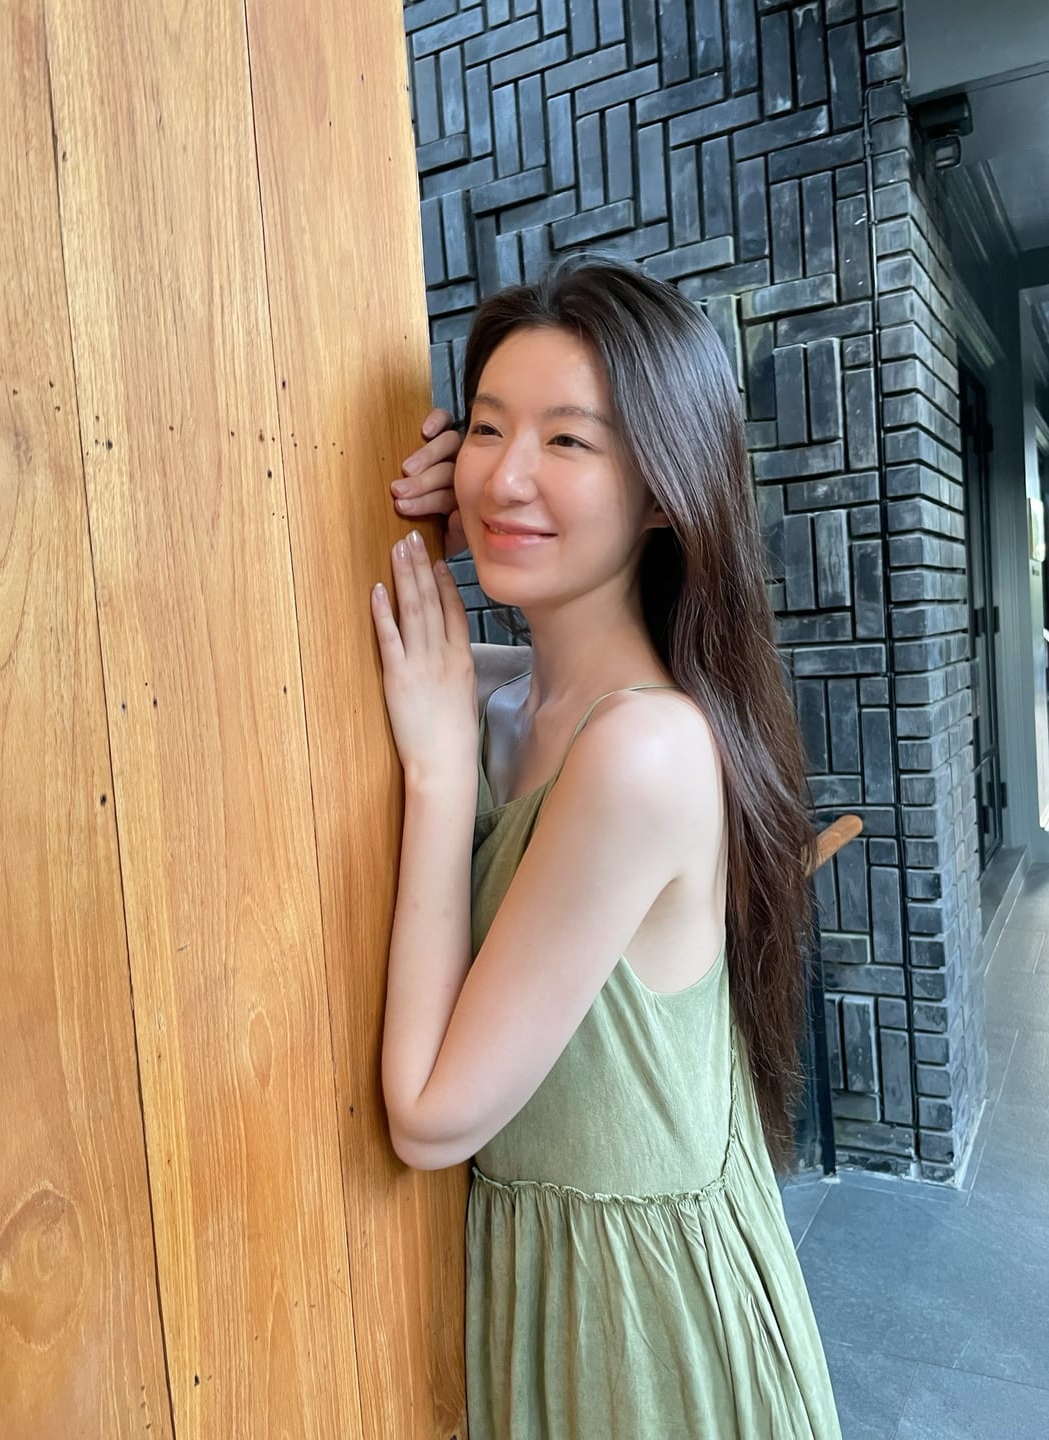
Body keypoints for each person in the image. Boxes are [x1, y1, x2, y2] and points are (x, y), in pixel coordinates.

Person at [370, 254, 842, 1439]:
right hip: (565, 1294)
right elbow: (411, 658)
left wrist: (440, 777)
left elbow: (428, 1115)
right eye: (486, 428)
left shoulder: (645, 752)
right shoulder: (519, 698)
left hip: (640, 1341)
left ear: (663, 493)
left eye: (569, 440)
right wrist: (402, 525)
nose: (506, 474)